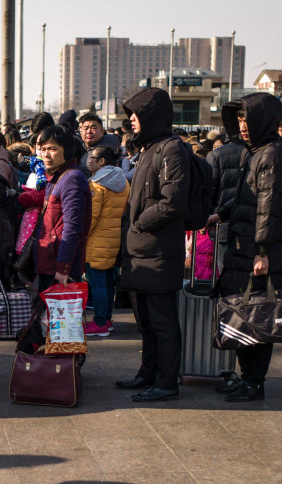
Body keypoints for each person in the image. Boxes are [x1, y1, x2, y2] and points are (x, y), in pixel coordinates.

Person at [214, 93, 282, 402]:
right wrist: (219, 214)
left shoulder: (272, 154)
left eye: (247, 119)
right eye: (239, 119)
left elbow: (269, 206)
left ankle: (255, 382)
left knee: (260, 316)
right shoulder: (256, 152)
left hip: (258, 251)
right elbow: (246, 198)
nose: (241, 125)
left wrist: (262, 252)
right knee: (243, 313)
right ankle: (246, 376)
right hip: (244, 247)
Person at [115, 87, 190, 402]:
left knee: (162, 321)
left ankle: (166, 381)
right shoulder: (148, 148)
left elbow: (173, 202)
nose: (131, 120)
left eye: (136, 114)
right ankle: (147, 372)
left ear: (151, 115)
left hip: (158, 251)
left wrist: (140, 222)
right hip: (139, 252)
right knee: (145, 321)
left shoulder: (171, 149)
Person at [18, 125, 92, 292]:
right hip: (49, 262)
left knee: (62, 317)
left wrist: (63, 268)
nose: (46, 154)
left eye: (52, 149)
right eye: (43, 149)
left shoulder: (72, 179)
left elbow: (73, 228)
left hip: (59, 267)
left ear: (67, 150)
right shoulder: (56, 176)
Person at [84, 145, 130, 337]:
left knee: (98, 284)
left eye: (92, 158)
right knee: (108, 282)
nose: (88, 161)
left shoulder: (97, 185)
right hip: (114, 240)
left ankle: (101, 323)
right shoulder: (122, 181)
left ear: (102, 161)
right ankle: (106, 320)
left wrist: (80, 238)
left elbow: (90, 217)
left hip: (97, 241)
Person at [79, 113, 122, 178]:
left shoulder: (106, 147)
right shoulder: (78, 147)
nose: (89, 131)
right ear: (81, 131)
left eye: (93, 128)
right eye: (85, 128)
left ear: (102, 131)